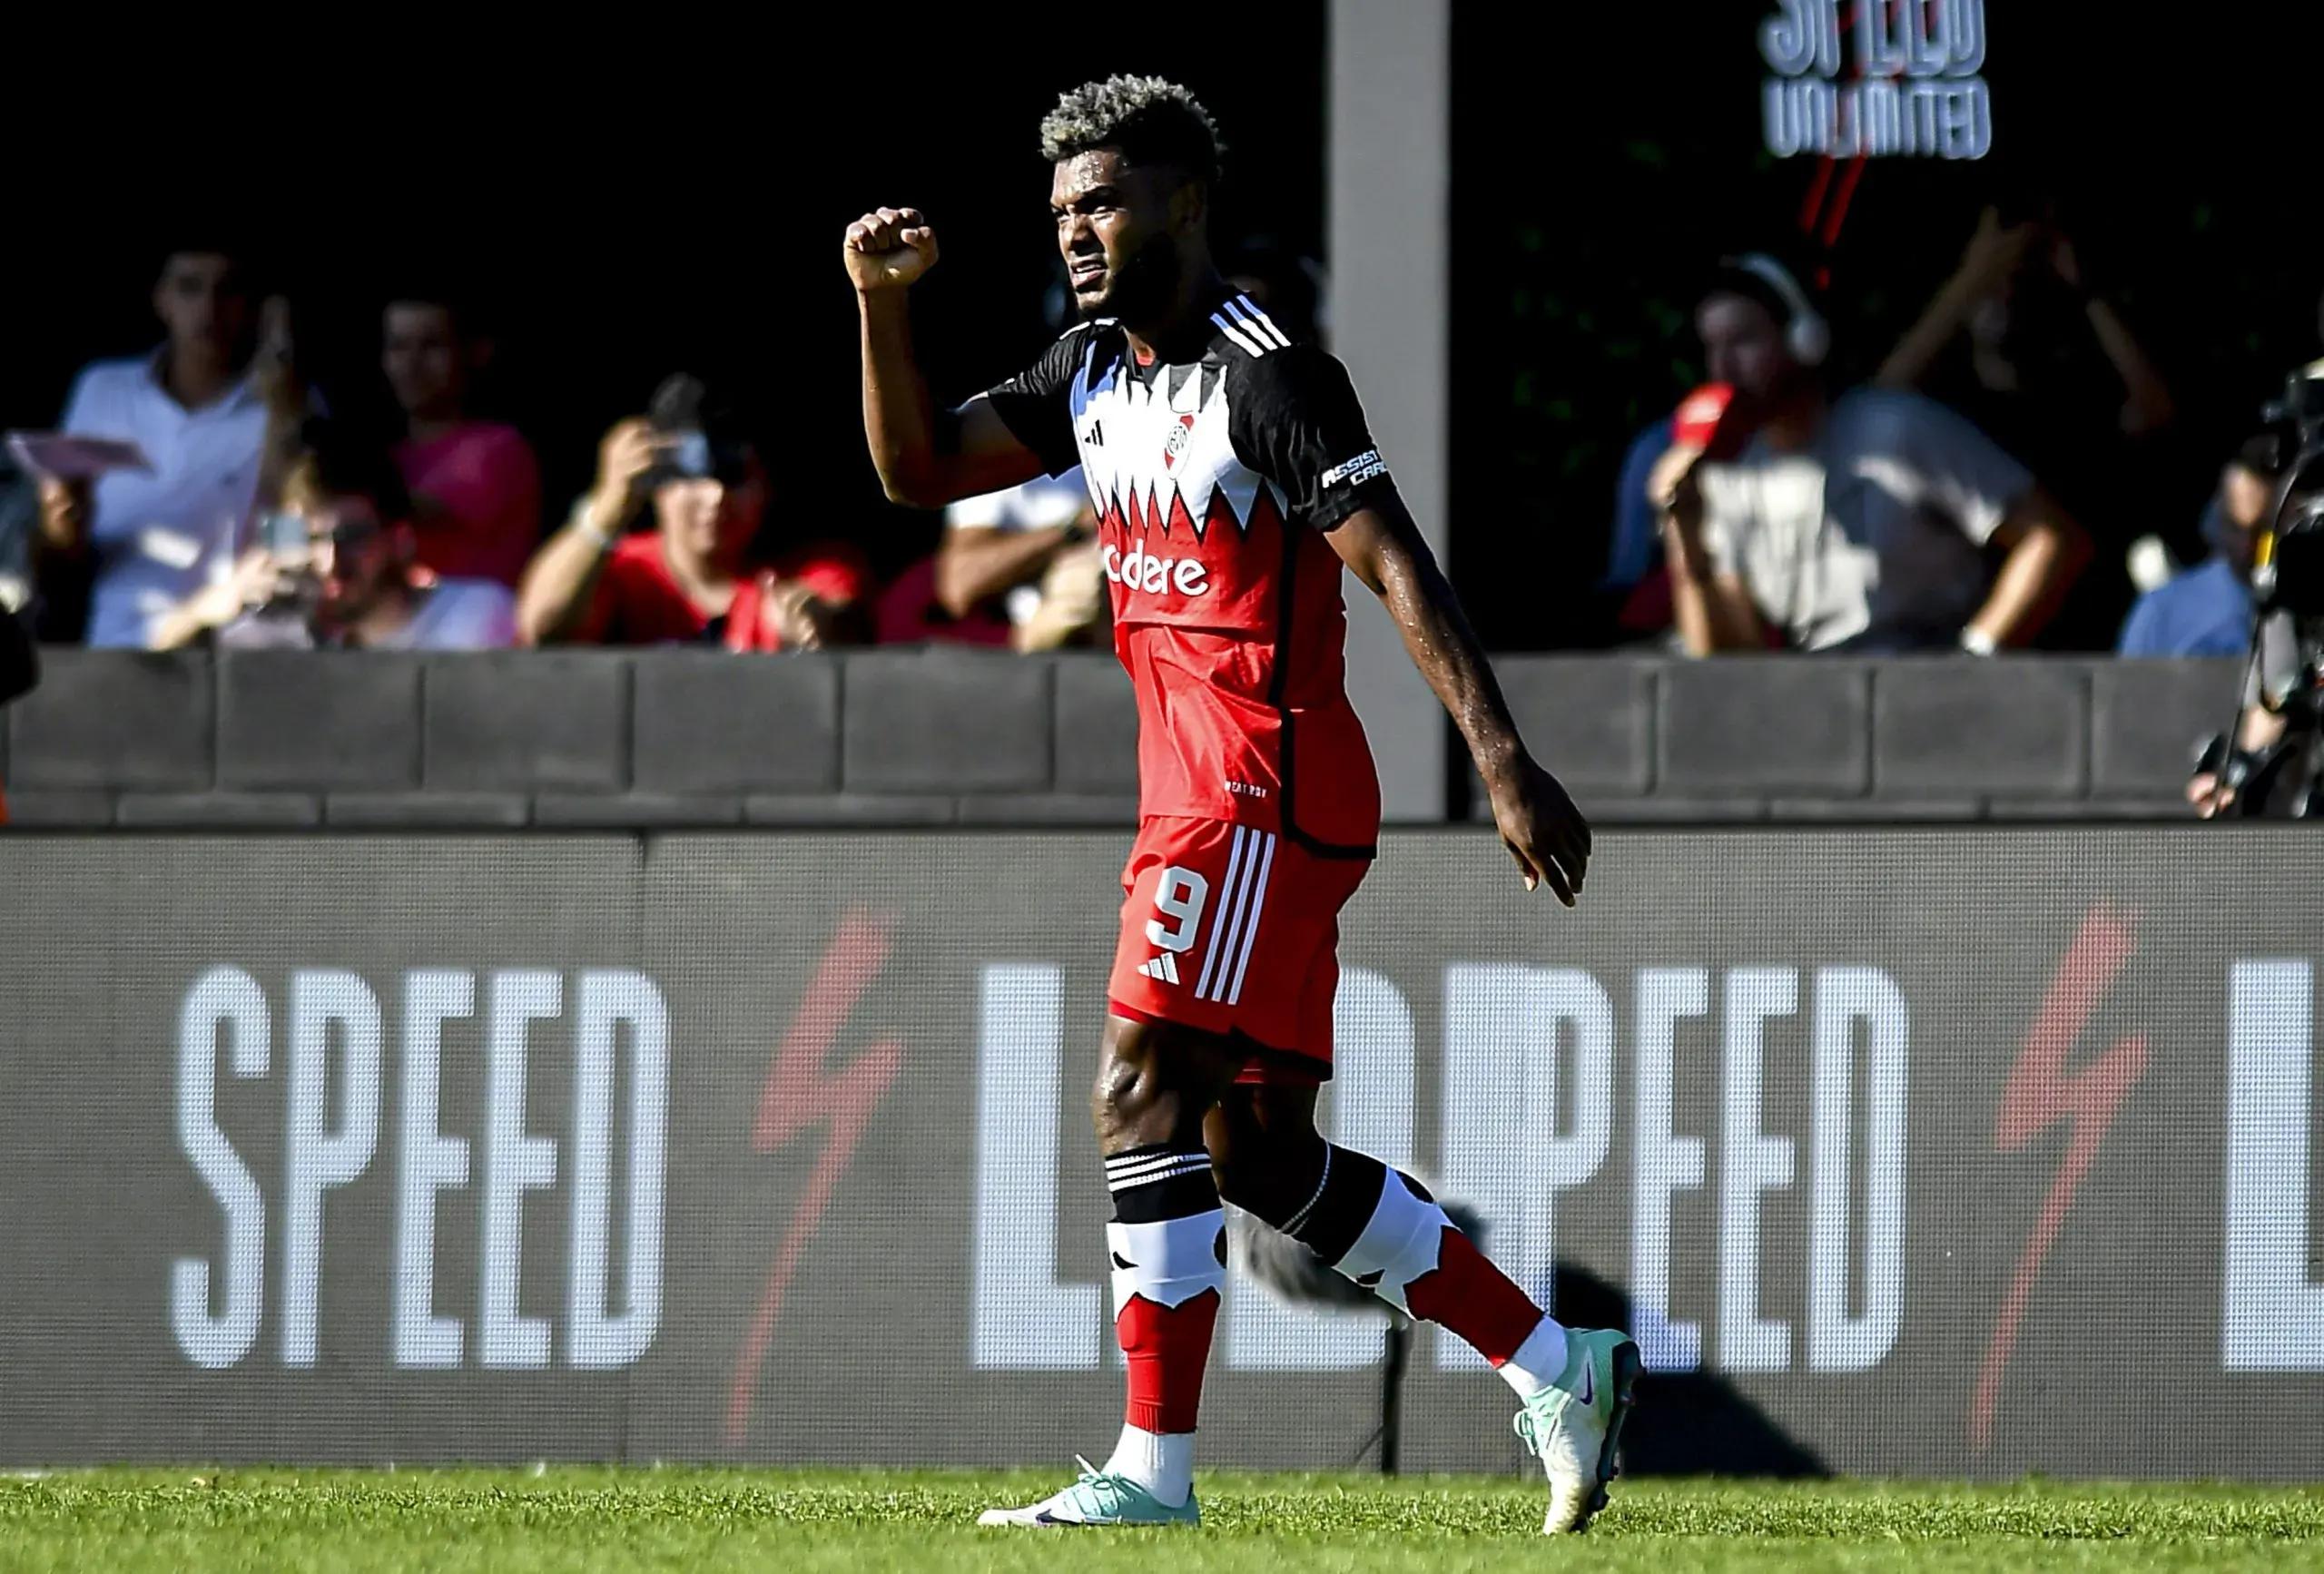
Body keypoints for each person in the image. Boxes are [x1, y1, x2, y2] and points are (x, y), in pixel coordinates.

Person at [846, 74, 1622, 1534]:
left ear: (1187, 200)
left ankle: (1152, 1471)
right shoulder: (1087, 367)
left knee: (1135, 1091)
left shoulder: (1269, 377)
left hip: (1254, 788)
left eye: (1106, 199)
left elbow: (1396, 563)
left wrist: (1502, 758)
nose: (1078, 228)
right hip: (1210, 797)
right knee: (1255, 1152)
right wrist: (882, 303)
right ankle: (1554, 1362)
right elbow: (916, 472)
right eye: (1063, 207)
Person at [1662, 251, 2090, 654]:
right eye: (1711, 347)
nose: (1723, 368)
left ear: (1804, 339)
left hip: (1926, 674)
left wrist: (1972, 660)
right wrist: (1685, 535)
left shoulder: (1896, 428)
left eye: (1742, 340)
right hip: (1820, 692)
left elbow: (2049, 537)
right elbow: (1733, 659)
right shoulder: (1728, 474)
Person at [34, 240, 273, 647]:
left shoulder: (277, 407)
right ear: (162, 299)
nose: (209, 309)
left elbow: (293, 537)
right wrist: (61, 525)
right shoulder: (103, 390)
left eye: (228, 290)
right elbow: (61, 559)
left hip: (243, 651)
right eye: (190, 287)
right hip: (118, 648)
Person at [517, 375, 870, 650]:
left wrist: (811, 622)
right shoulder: (626, 571)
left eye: (734, 476)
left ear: (768, 487)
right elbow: (543, 627)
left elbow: (840, 620)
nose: (715, 495)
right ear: (656, 485)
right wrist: (609, 505)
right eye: (690, 474)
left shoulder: (811, 569)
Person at [150, 424, 516, 651]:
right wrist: (209, 608)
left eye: (352, 538)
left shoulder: (473, 615)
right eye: (310, 540)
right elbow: (150, 676)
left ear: (400, 542)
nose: (330, 562)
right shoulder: (287, 635)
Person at [382, 288, 543, 589]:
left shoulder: (499, 449)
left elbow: (411, 509)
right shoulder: (393, 457)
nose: (411, 364)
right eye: (398, 347)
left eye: (432, 345)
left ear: (473, 353)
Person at [2118, 436, 2277, 658]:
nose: (2246, 546)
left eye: (2264, 532)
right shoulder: (2161, 613)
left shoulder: (2309, 612)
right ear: (2216, 520)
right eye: (2235, 528)